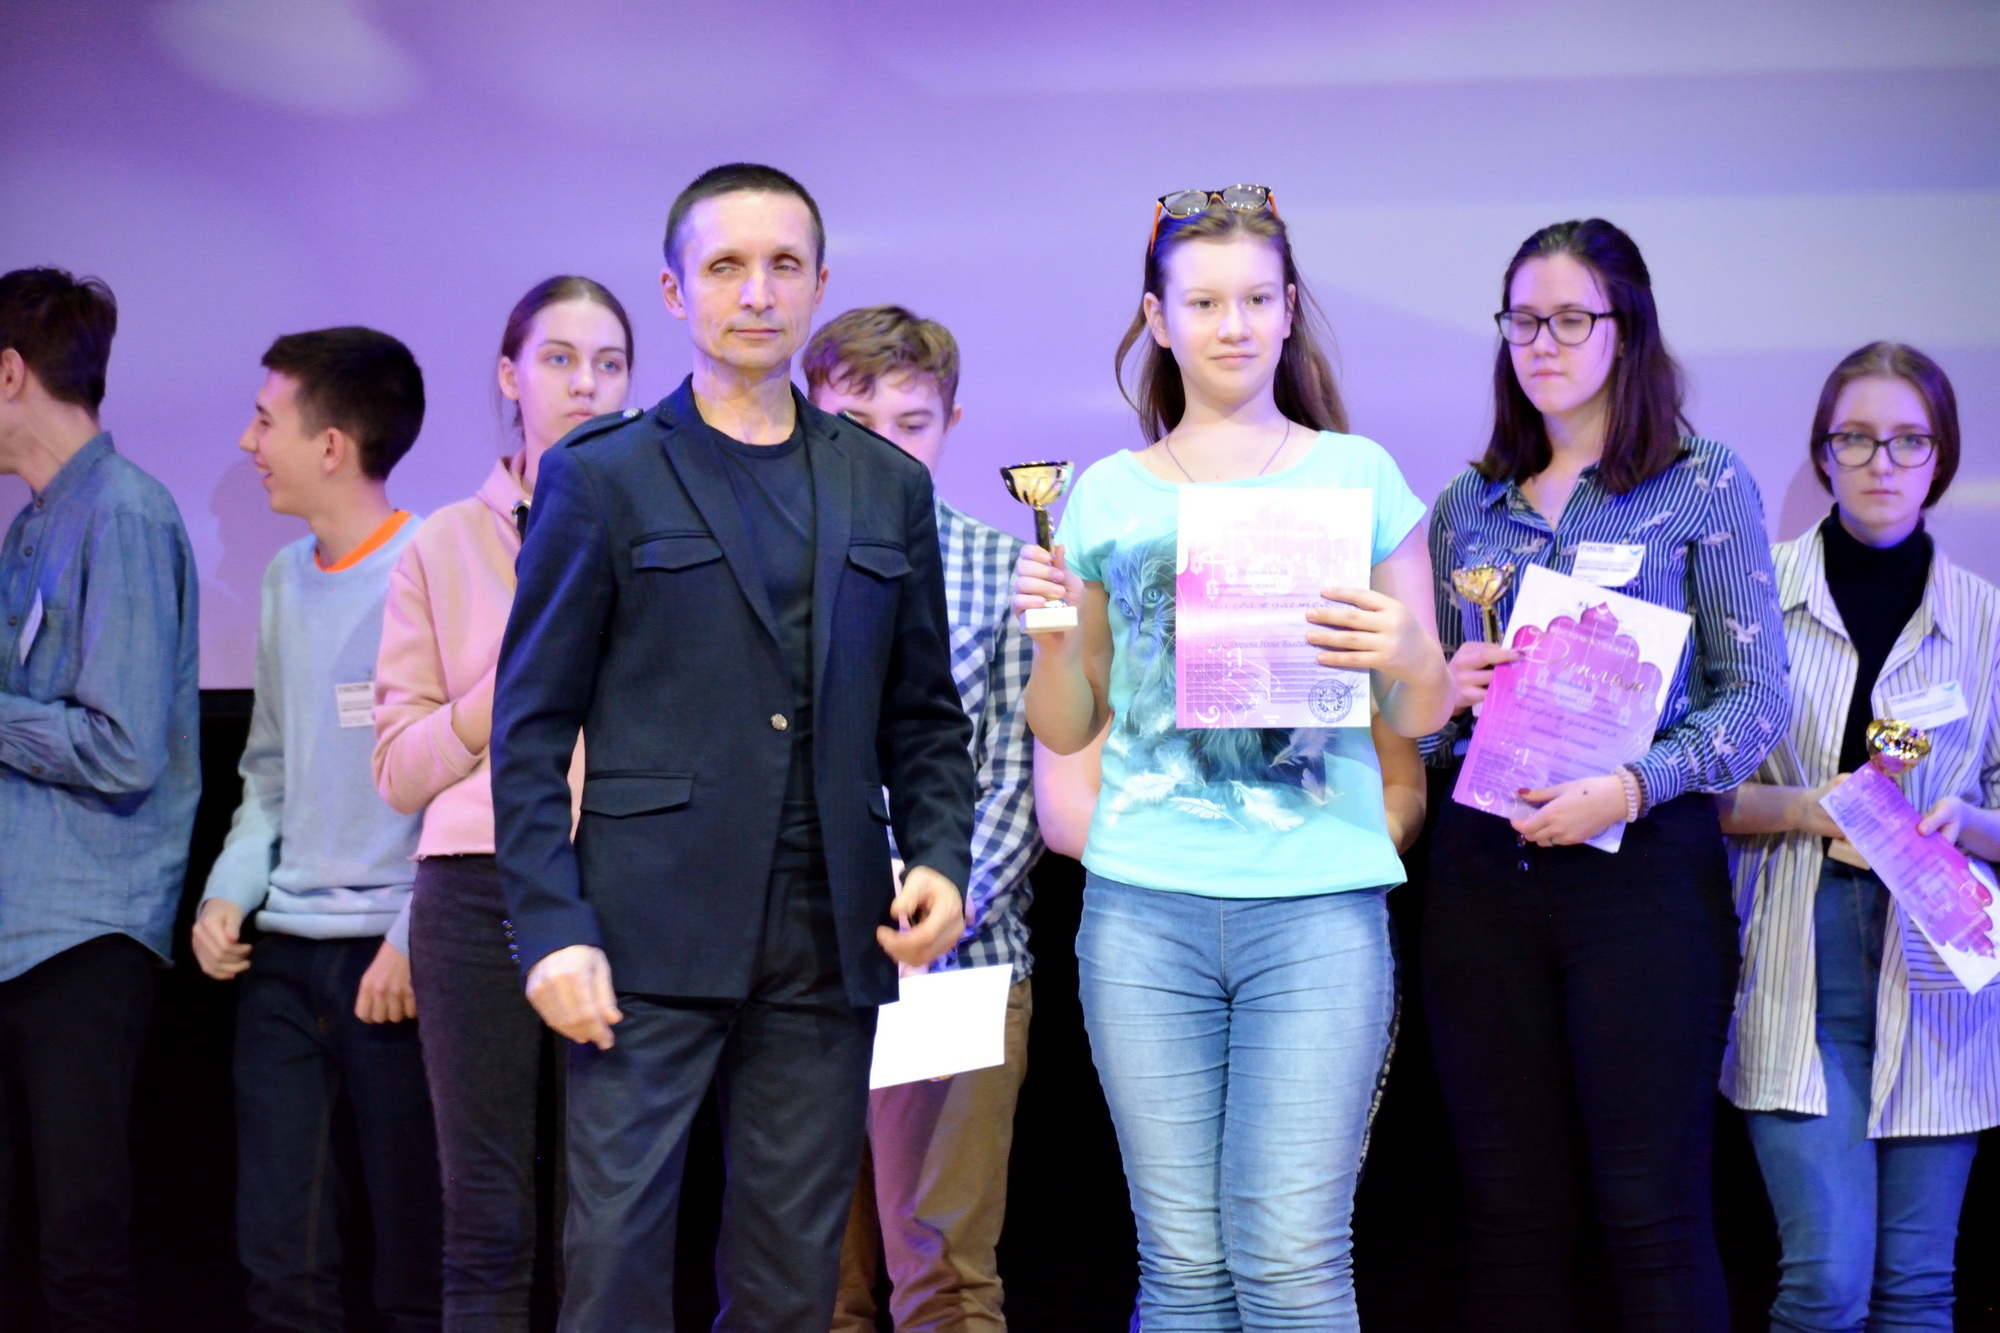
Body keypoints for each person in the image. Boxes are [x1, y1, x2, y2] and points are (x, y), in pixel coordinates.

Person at [490, 163, 975, 1331]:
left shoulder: (883, 485)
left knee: (788, 1285)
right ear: (674, 291)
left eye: (781, 266)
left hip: (827, 936)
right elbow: (529, 727)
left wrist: (941, 859)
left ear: (817, 283)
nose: (756, 292)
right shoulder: (600, 475)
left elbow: (923, 716)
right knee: (611, 1266)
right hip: (640, 938)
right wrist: (550, 925)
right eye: (724, 267)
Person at [1014, 185, 1454, 1330]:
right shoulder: (1104, 495)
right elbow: (1065, 724)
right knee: (1180, 1269)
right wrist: (1051, 641)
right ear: (1156, 319)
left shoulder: (1357, 475)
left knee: (1291, 1261)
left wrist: (1409, 649)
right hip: (1140, 912)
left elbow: (1420, 709)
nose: (1233, 324)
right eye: (1203, 302)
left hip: (1315, 909)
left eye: (1257, 299)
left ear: (1289, 309)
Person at [1421, 218, 1788, 1331]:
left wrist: (1630, 785)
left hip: (1641, 878)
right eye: (1523, 320)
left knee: (1651, 1214)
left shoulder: (1700, 481)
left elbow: (1756, 698)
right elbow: (1434, 736)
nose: (1542, 343)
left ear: (1627, 330)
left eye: (1571, 319)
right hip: (1484, 877)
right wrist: (1441, 696)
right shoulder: (1467, 504)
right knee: (1509, 1220)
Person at [1719, 342, 1999, 1332]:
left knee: (1915, 1292)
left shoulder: (1983, 618)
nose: (1882, 461)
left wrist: (1968, 822)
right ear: (1822, 453)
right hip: (1800, 959)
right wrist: (1809, 807)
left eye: (1908, 440)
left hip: (1942, 971)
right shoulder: (1752, 594)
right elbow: (1693, 792)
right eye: (1856, 438)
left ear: (1940, 456)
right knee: (1826, 1288)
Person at [373, 276, 631, 1330]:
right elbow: (399, 767)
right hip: (473, 892)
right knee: (484, 1219)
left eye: (609, 363)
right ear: (510, 376)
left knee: (604, 1218)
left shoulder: (659, 532)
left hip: (617, 881)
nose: (585, 384)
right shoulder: (442, 543)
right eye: (559, 359)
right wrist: (504, 688)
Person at [192, 326, 441, 1331]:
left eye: (265, 421)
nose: (248, 443)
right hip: (286, 959)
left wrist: (413, 936)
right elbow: (269, 769)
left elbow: (475, 786)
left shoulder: (435, 564)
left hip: (399, 963)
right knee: (281, 1261)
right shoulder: (284, 577)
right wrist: (229, 889)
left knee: (415, 1262)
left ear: (331, 445)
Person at [802, 305, 1042, 1333]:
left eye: (911, 423)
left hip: (958, 959)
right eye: (854, 422)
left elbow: (1016, 780)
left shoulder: (1002, 570)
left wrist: (934, 902)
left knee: (941, 1278)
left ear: (951, 424)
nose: (884, 447)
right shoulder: (768, 567)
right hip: (799, 965)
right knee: (806, 1283)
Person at [0, 267, 199, 1330]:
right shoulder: (32, 525)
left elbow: (123, 750)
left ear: (10, 373)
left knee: (79, 1246)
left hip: (80, 937)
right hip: (18, 927)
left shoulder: (123, 514)